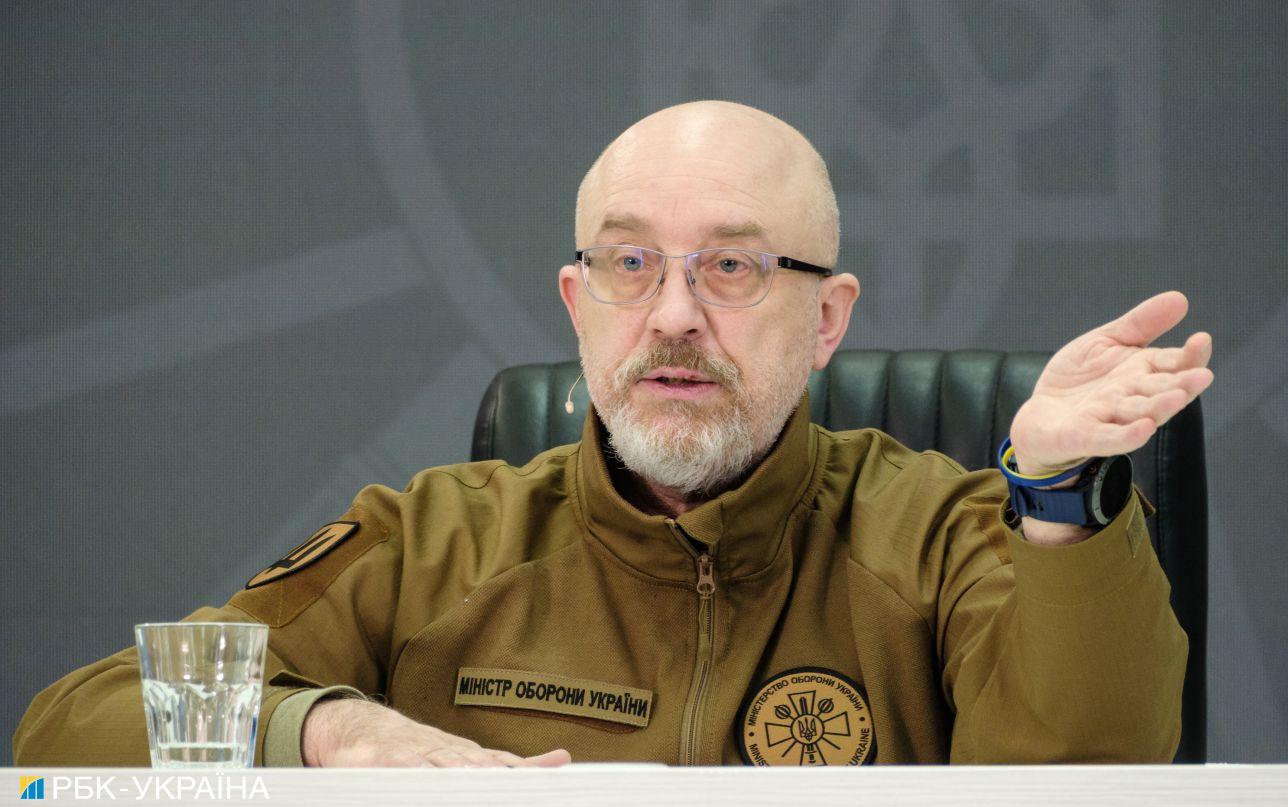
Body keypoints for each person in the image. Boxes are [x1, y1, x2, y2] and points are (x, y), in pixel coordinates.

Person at [14, 101, 1214, 767]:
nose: (674, 314)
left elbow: (1093, 776)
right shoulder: (430, 543)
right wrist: (324, 728)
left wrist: (1058, 496)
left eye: (732, 267)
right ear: (576, 303)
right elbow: (75, 728)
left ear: (826, 319)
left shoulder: (945, 535)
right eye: (628, 264)